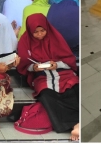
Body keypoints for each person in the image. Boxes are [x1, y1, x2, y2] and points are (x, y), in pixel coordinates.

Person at [17, 13, 79, 141]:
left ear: (47, 28)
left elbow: (69, 59)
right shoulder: (25, 41)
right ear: (30, 31)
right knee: (46, 95)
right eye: (36, 32)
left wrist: (57, 64)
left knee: (75, 87)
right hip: (41, 76)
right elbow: (23, 64)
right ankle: (72, 124)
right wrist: (33, 67)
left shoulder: (55, 37)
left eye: (42, 30)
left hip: (63, 72)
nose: (40, 34)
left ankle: (80, 121)